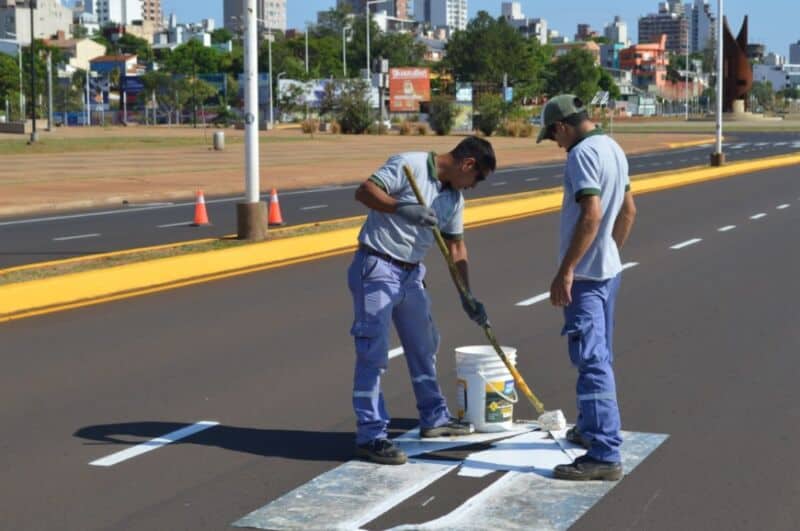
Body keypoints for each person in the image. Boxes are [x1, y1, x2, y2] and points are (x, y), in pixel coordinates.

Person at [348, 136, 497, 465]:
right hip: (377, 266)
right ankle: (371, 435)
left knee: (424, 346)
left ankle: (435, 419)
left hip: (411, 273)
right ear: (467, 164)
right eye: (478, 178)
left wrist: (467, 295)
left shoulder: (454, 198)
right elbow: (364, 191)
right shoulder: (409, 164)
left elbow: (456, 247)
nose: (475, 186)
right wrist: (401, 207)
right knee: (373, 352)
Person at [537, 95, 637, 481]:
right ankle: (590, 427)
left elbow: (591, 214)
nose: (556, 143)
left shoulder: (581, 155)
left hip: (588, 280)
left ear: (562, 127)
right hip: (608, 272)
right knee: (601, 355)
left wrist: (568, 269)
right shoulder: (612, 146)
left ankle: (604, 453)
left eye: (553, 136)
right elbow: (629, 210)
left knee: (591, 361)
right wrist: (609, 253)